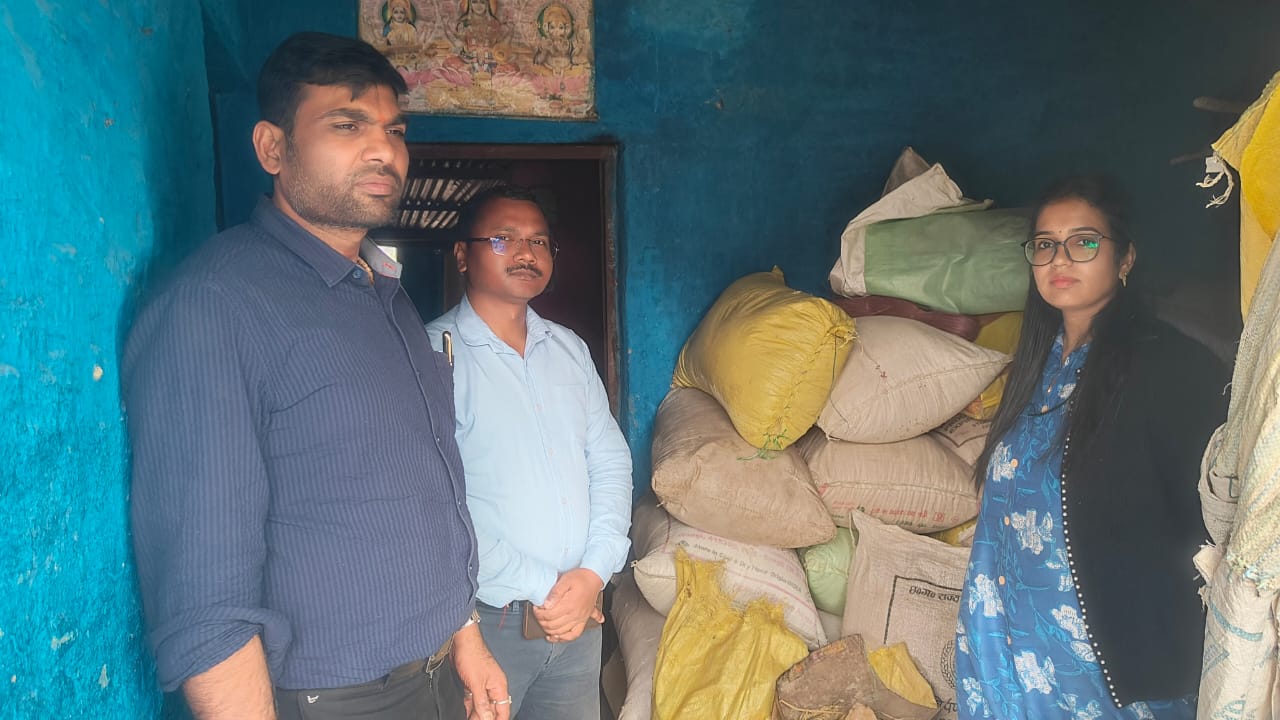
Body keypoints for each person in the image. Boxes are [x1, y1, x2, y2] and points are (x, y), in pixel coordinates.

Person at [124, 32, 509, 720]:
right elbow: (205, 602)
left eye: (395, 130)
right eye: (347, 125)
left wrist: (465, 636)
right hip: (337, 700)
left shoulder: (385, 295)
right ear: (273, 148)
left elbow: (422, 494)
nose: (384, 151)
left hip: (436, 677)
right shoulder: (215, 305)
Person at [954, 176, 1228, 719]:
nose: (1060, 258)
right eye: (1045, 244)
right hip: (1005, 634)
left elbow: (1205, 520)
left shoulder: (1168, 365)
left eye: (1083, 242)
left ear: (1125, 258)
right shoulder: (1036, 364)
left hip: (1104, 660)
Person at [425, 186, 632, 720]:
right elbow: (434, 502)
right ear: (463, 255)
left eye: (539, 241)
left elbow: (608, 460)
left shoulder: (568, 349)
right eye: (503, 239)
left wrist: (594, 573)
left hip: (580, 620)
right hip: (484, 625)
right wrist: (552, 590)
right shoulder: (430, 355)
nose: (525, 253)